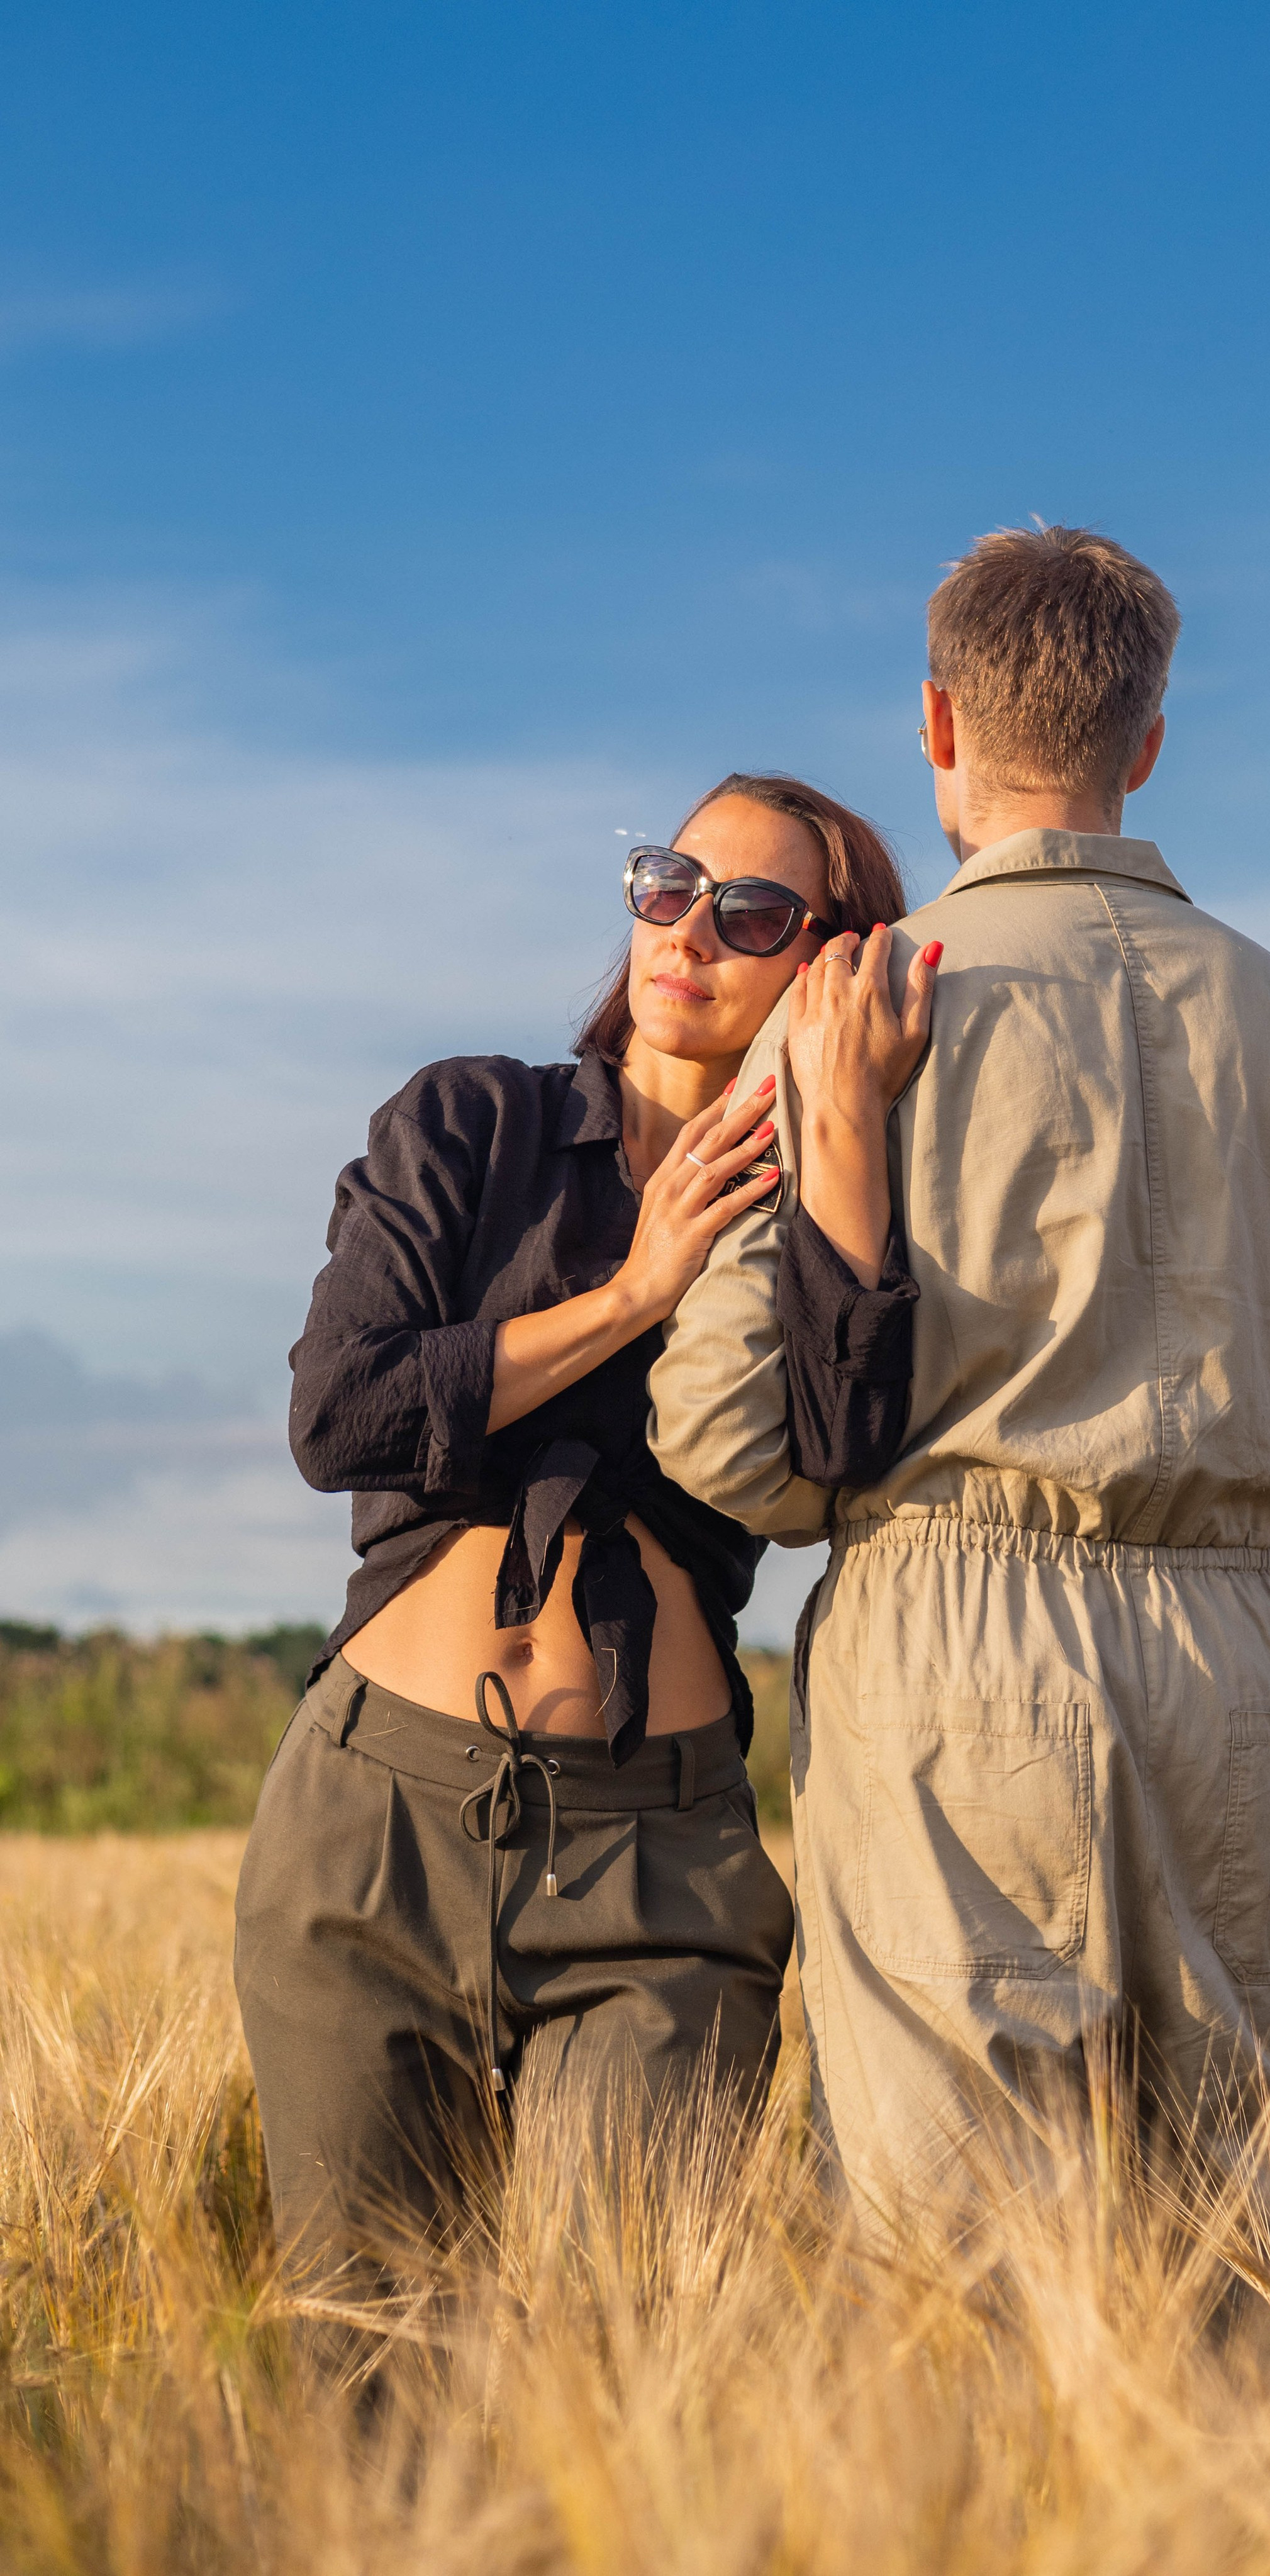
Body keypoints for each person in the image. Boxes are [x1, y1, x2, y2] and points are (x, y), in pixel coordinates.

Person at [647, 526, 1270, 2223]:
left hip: (938, 1668)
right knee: (1264, 2257)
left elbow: (725, 1434)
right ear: (1148, 743)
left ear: (937, 724)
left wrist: (844, 1485)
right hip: (1233, 1667)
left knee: (957, 2276)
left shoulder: (848, 1012)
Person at [234, 771, 913, 2291]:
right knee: (372, 2362)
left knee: (619, 2365)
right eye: (670, 884)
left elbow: (842, 1467)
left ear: (825, 961)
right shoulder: (474, 1122)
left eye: (752, 914)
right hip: (373, 1825)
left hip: (657, 1856)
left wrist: (842, 1137)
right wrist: (632, 1297)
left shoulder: (831, 1209)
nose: (688, 932)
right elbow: (336, 1416)